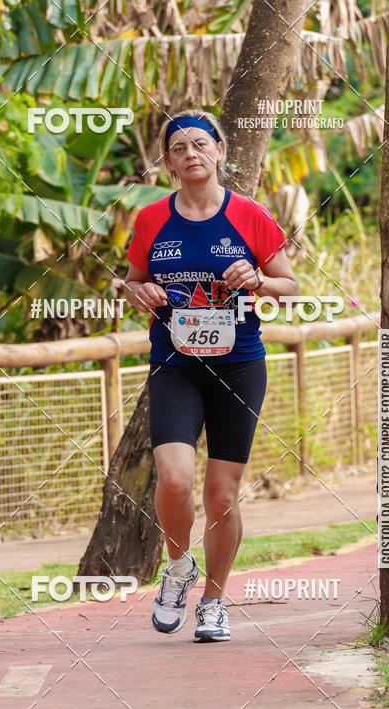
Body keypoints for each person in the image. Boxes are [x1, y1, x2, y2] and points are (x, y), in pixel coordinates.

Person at [125, 108, 299, 642]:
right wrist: (142, 292)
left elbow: (290, 284)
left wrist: (259, 281)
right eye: (179, 148)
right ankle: (178, 570)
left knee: (222, 494)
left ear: (220, 151)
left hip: (239, 365)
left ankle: (215, 603)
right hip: (175, 365)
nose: (191, 154)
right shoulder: (153, 219)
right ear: (169, 163)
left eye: (200, 144)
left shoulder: (248, 214)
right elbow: (131, 281)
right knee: (175, 478)